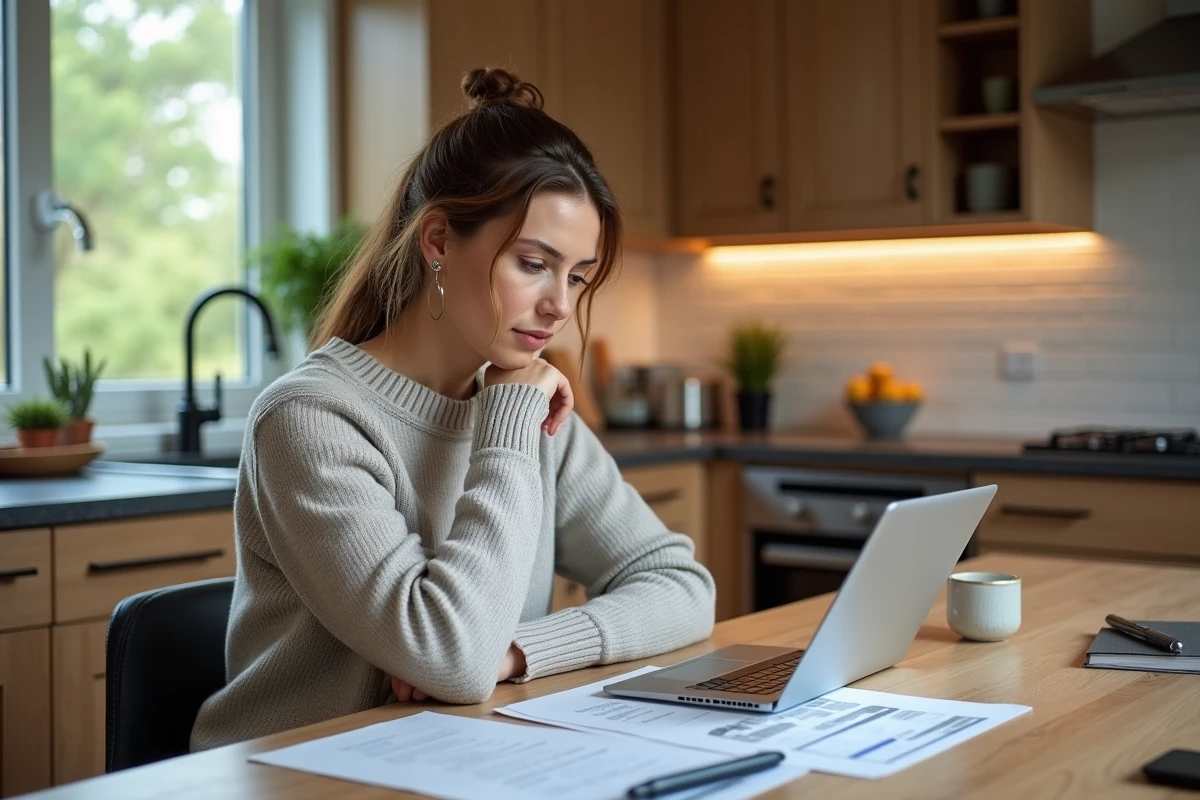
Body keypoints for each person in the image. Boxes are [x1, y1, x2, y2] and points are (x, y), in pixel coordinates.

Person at [190, 67, 716, 751]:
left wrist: (520, 651)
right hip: (304, 773)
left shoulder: (524, 405)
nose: (560, 304)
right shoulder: (310, 420)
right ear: (438, 240)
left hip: (456, 756)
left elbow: (682, 585)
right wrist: (509, 420)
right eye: (533, 264)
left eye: (577, 276)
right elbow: (451, 657)